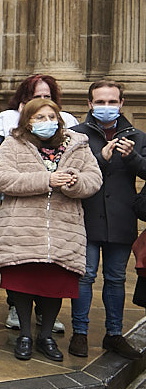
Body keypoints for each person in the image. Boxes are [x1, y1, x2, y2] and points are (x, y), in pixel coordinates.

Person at [0, 98, 102, 361]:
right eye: (39, 118)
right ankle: (25, 335)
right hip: (22, 227)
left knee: (54, 284)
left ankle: (46, 336)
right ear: (28, 120)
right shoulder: (14, 143)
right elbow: (3, 178)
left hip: (63, 227)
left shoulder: (78, 144)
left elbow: (94, 178)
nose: (47, 123)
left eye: (51, 117)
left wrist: (74, 183)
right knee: (22, 282)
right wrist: (47, 180)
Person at [0, 74, 78, 332]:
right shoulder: (7, 120)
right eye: (35, 96)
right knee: (20, 257)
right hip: (20, 202)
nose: (41, 101)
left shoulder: (68, 121)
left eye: (46, 97)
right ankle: (16, 307)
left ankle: (47, 312)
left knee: (50, 259)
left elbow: (78, 157)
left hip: (56, 204)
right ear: (23, 99)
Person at [69, 80, 146, 360]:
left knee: (115, 279)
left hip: (122, 216)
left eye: (112, 102)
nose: (106, 107)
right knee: (85, 276)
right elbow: (69, 172)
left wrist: (132, 158)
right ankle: (80, 333)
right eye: (100, 102)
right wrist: (99, 159)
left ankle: (114, 334)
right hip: (87, 216)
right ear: (89, 104)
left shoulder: (136, 136)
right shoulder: (76, 135)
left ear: (122, 103)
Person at [0, 74, 79, 150]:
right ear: (25, 99)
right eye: (37, 97)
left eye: (47, 96)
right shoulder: (7, 117)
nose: (42, 101)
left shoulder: (67, 118)